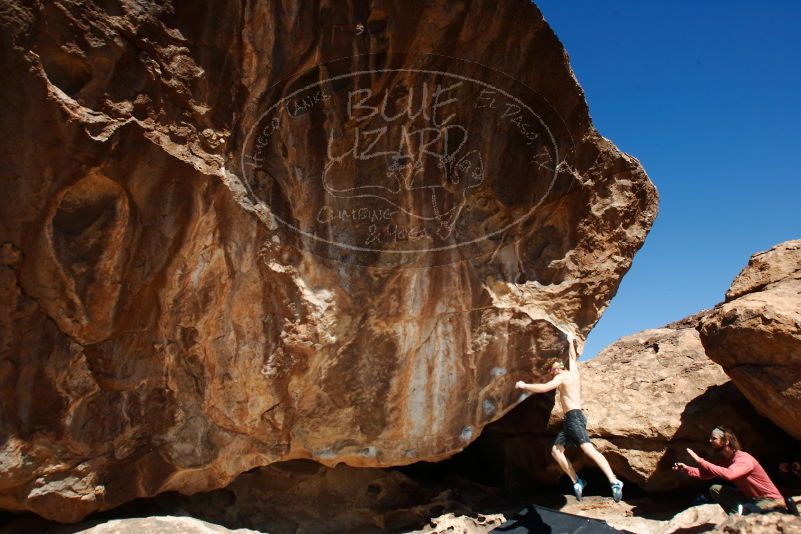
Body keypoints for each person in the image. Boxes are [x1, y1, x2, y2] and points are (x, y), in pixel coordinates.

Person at [515, 334, 624, 503]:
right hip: (572, 419)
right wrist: (569, 340)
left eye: (551, 371)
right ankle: (577, 481)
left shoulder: (561, 376)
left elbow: (544, 388)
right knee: (556, 451)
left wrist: (524, 386)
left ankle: (614, 480)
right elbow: (572, 357)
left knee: (588, 450)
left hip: (574, 418)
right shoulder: (573, 372)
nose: (551, 375)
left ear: (555, 368)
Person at [673, 426, 786, 514]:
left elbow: (730, 475)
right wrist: (687, 468)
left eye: (714, 438)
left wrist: (700, 460)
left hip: (769, 500)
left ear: (726, 441)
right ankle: (735, 518)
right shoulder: (726, 460)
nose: (710, 440)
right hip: (750, 498)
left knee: (750, 511)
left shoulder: (743, 458)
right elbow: (706, 474)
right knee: (715, 489)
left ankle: (743, 517)